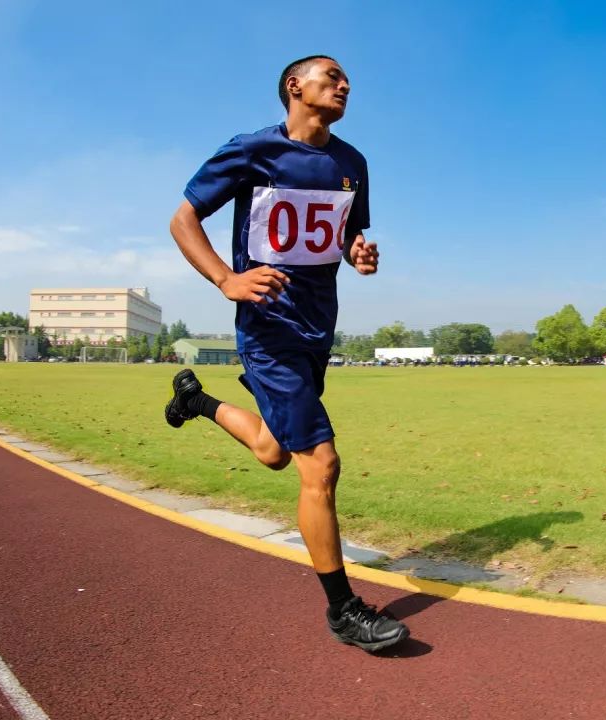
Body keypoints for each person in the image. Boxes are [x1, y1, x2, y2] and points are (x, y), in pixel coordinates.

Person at [165, 56, 408, 652]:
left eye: (349, 78)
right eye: (333, 76)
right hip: (268, 330)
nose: (346, 84)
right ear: (296, 87)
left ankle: (196, 402)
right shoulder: (252, 150)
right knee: (320, 465)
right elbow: (183, 219)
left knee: (276, 452)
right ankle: (343, 611)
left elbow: (349, 233)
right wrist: (226, 279)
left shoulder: (353, 163)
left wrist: (358, 254)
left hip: (317, 330)